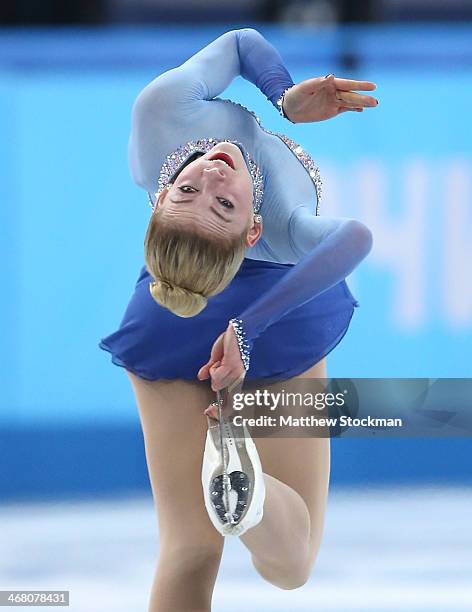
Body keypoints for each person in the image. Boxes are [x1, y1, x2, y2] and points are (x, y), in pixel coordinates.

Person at [99, 28, 377, 611]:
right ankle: (251, 505)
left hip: (204, 314)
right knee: (292, 561)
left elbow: (242, 43)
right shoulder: (281, 224)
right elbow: (355, 238)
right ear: (252, 232)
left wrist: (283, 96)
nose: (214, 177)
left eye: (192, 191)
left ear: (159, 201)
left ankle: (240, 499)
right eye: (219, 203)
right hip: (263, 317)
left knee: (188, 550)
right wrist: (249, 329)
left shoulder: (161, 113)